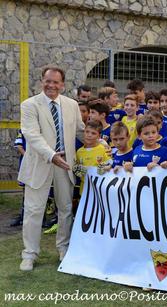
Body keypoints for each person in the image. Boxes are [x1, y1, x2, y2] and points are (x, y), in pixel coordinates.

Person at [18, 66, 85, 271]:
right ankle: (29, 254)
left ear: (62, 85)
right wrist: (52, 155)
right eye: (48, 81)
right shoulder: (29, 105)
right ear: (42, 82)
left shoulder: (72, 105)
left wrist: (103, 143)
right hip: (40, 163)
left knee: (65, 208)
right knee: (33, 210)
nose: (51, 85)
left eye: (56, 82)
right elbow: (32, 134)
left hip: (65, 164)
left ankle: (63, 249)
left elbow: (81, 131)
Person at [75, 121, 112, 195]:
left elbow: (110, 166)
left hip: (99, 189)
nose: (89, 135)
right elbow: (78, 171)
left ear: (99, 136)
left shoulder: (103, 149)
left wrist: (103, 169)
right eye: (87, 132)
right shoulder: (79, 152)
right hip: (84, 191)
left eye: (93, 133)